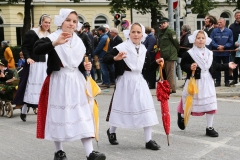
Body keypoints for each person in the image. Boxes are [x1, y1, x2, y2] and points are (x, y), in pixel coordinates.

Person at [33, 8, 106, 160]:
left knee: (83, 114)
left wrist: (85, 67)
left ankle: (90, 152)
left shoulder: (79, 41)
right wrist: (55, 43)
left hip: (77, 81)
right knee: (59, 115)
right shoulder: (52, 37)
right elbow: (37, 49)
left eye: (74, 21)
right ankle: (59, 151)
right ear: (61, 21)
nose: (72, 24)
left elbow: (78, 64)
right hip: (58, 81)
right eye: (68, 20)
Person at [103, 22, 163, 150]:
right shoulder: (121, 47)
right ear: (129, 33)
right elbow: (106, 58)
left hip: (139, 81)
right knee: (121, 106)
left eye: (138, 32)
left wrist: (156, 63)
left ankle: (148, 140)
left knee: (145, 107)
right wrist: (116, 58)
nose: (136, 35)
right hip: (125, 80)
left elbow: (146, 70)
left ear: (142, 35)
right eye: (133, 32)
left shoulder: (144, 49)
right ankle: (111, 130)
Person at [179, 30, 237, 137]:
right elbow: (183, 65)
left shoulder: (210, 53)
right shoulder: (189, 53)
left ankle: (209, 127)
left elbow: (215, 66)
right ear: (194, 40)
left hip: (208, 81)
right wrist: (189, 67)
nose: (201, 40)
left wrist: (227, 65)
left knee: (210, 104)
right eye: (198, 38)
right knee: (189, 102)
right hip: (194, 82)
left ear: (206, 40)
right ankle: (182, 116)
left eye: (203, 38)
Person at [13, 14, 51, 122]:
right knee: (31, 88)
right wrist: (28, 58)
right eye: (45, 22)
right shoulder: (33, 33)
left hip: (45, 64)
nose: (47, 24)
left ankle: (44, 113)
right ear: (41, 22)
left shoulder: (49, 34)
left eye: (49, 22)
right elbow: (25, 47)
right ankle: (24, 109)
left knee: (44, 88)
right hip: (35, 64)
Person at [210, 17, 233, 87]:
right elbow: (211, 40)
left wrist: (224, 47)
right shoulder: (214, 31)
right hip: (217, 52)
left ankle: (227, 81)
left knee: (226, 67)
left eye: (221, 22)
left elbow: (231, 41)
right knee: (217, 67)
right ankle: (218, 81)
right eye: (218, 22)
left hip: (225, 52)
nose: (219, 24)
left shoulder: (229, 31)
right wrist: (217, 46)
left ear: (224, 23)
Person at [158, 17, 179, 93]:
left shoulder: (170, 31)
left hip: (170, 55)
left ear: (167, 23)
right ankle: (172, 88)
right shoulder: (162, 32)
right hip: (164, 55)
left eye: (164, 23)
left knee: (170, 73)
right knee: (166, 72)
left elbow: (176, 42)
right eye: (162, 23)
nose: (163, 25)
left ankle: (170, 88)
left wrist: (176, 52)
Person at [229, 11, 240, 85]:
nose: (238, 17)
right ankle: (235, 79)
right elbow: (230, 37)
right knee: (234, 65)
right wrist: (233, 45)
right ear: (234, 17)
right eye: (237, 15)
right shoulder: (231, 26)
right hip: (233, 48)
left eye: (239, 15)